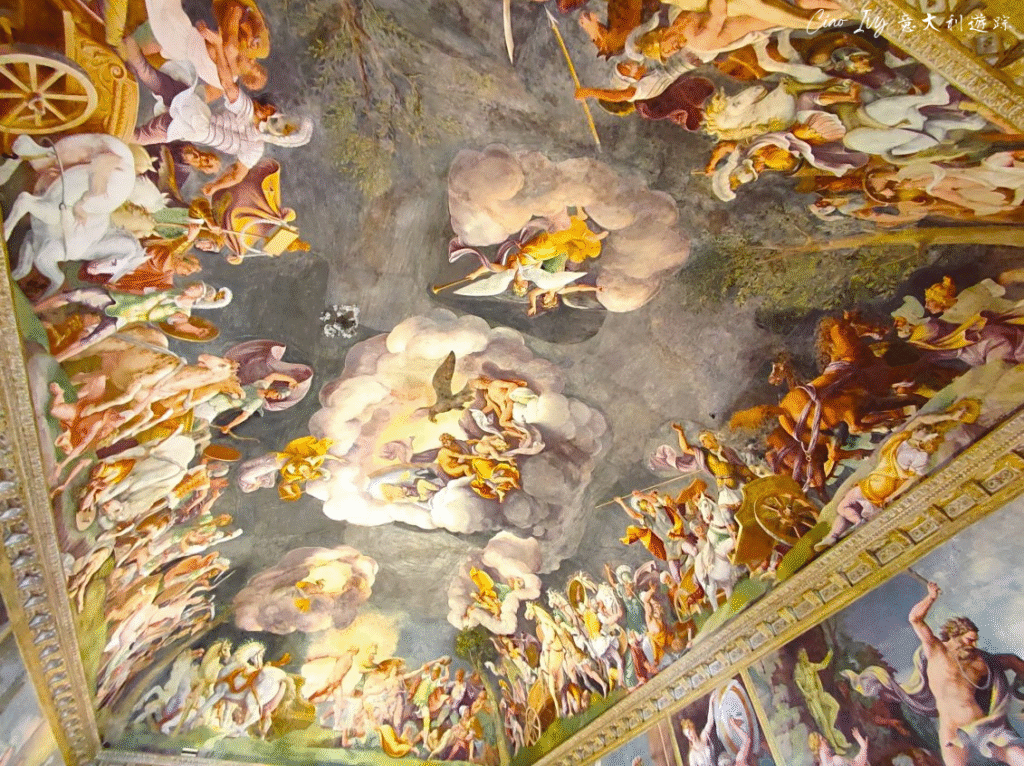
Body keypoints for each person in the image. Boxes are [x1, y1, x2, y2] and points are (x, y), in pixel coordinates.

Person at [845, 582, 1024, 766]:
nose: (973, 645)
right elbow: (915, 619)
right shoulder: (937, 651)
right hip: (952, 732)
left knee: (1019, 757)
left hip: (983, 726)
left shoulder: (979, 661)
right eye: (969, 640)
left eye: (975, 641)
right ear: (955, 634)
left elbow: (1010, 661)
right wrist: (931, 597)